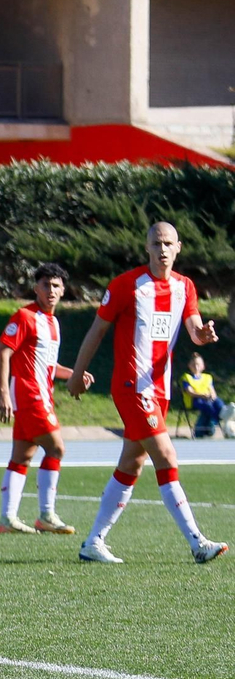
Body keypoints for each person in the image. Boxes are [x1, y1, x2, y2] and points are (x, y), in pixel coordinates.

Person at [65, 222, 227, 564]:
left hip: (160, 388)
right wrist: (77, 374)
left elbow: (194, 330)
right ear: (147, 247)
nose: (163, 249)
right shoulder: (128, 285)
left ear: (179, 247)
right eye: (157, 243)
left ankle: (93, 542)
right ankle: (197, 542)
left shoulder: (185, 287)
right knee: (166, 457)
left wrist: (204, 335)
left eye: (169, 243)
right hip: (131, 387)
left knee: (132, 462)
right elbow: (97, 330)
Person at [0, 262, 91, 534]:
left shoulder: (53, 323)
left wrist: (75, 374)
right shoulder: (25, 317)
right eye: (46, 284)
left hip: (42, 395)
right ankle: (46, 515)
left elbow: (48, 365)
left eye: (56, 285)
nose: (51, 290)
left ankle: (7, 518)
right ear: (36, 288)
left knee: (22, 457)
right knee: (57, 448)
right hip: (29, 394)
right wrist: (3, 394)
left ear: (63, 290)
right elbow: (3, 353)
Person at [181, 353, 233, 438]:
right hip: (195, 400)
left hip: (208, 399)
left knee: (217, 401)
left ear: (203, 366)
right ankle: (223, 420)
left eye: (198, 364)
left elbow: (212, 391)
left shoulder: (207, 377)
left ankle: (224, 411)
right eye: (193, 365)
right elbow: (190, 392)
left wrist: (212, 396)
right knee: (208, 406)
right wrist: (203, 395)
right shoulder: (186, 377)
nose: (196, 367)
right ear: (189, 365)